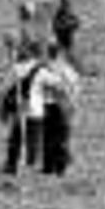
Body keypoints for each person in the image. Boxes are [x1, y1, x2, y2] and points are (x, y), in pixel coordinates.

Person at [0, 40, 46, 175]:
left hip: (20, 109)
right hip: (36, 110)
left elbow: (3, 88)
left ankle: (12, 166)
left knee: (16, 139)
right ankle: (29, 165)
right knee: (33, 140)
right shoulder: (42, 70)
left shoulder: (18, 68)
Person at [42, 44, 81, 175]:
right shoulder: (66, 69)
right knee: (62, 137)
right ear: (60, 54)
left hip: (47, 105)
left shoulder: (44, 68)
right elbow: (75, 87)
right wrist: (73, 102)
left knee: (48, 137)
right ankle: (61, 167)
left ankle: (48, 166)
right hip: (63, 105)